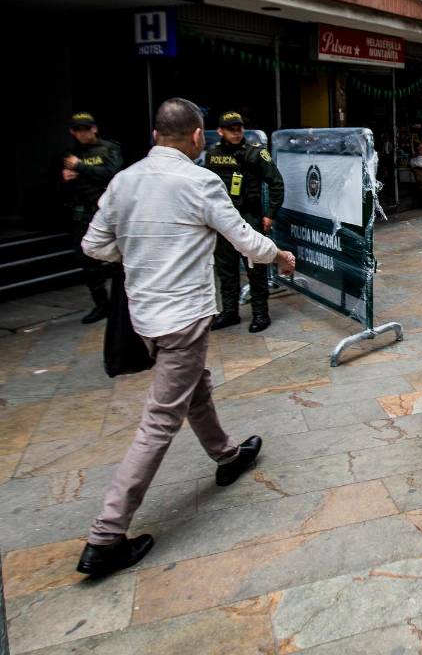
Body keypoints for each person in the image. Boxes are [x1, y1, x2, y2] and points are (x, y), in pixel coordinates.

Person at [75, 98, 296, 577]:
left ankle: (227, 455)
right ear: (199, 137)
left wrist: (138, 254)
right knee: (159, 422)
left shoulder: (123, 181)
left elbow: (94, 244)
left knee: (196, 386)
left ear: (156, 136)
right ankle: (106, 535)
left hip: (145, 316)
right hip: (183, 316)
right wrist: (279, 256)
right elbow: (244, 240)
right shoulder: (199, 181)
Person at [205, 111, 285, 333]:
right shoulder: (213, 154)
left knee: (255, 266)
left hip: (249, 216)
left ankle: (260, 313)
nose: (237, 132)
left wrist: (270, 214)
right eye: (231, 129)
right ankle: (229, 312)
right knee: (226, 268)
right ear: (220, 131)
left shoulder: (255, 153)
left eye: (239, 128)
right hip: (222, 218)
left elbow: (276, 183)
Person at [61, 112, 123, 324]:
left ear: (94, 128)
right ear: (72, 132)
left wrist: (80, 167)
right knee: (87, 262)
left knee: (118, 260)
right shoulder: (70, 153)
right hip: (81, 212)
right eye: (78, 130)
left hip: (106, 211)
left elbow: (113, 173)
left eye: (86, 128)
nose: (83, 133)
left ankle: (120, 302)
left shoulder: (109, 149)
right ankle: (101, 305)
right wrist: (66, 177)